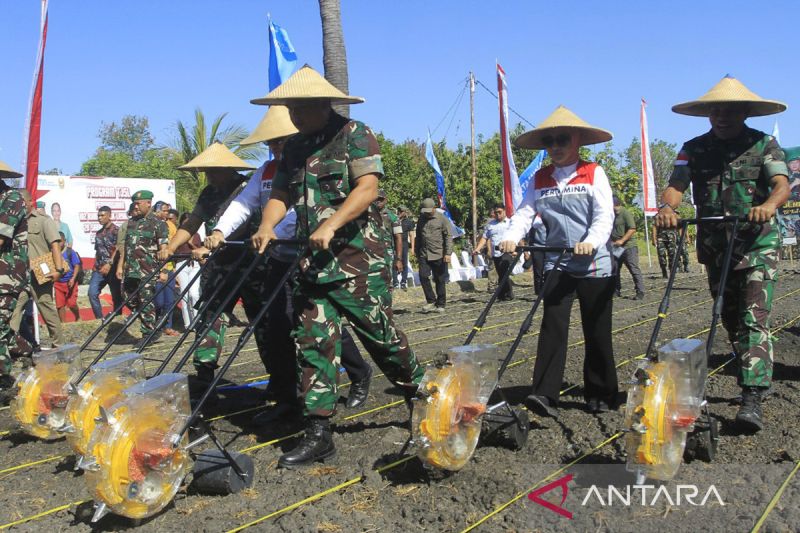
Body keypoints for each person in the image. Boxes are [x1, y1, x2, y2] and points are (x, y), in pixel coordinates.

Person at [248, 66, 424, 466]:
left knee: (381, 337)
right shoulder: (292, 148)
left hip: (358, 260)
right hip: (315, 264)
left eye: (301, 109)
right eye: (290, 109)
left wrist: (331, 223)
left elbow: (368, 188)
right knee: (313, 342)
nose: (294, 116)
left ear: (323, 105)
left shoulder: (355, 135)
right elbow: (280, 194)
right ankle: (318, 432)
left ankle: (423, 396)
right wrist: (266, 224)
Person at [205, 106, 375, 419]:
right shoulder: (267, 171)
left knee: (318, 321)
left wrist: (275, 230)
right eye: (271, 143)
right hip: (280, 257)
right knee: (275, 327)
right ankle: (287, 395)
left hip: (307, 254)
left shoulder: (309, 162)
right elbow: (245, 204)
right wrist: (219, 231)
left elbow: (302, 211)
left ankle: (359, 371)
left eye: (281, 141)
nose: (276, 148)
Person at [656, 76, 790, 432]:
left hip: (757, 243)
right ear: (707, 114)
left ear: (745, 112)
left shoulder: (764, 144)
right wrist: (668, 208)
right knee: (728, 315)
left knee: (752, 317)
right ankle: (751, 369)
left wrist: (767, 205)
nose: (722, 116)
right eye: (716, 110)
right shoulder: (694, 148)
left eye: (729, 110)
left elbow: (781, 184)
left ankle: (752, 395)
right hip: (717, 246)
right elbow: (676, 185)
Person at [500, 105, 617, 417]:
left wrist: (591, 242)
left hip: (594, 262)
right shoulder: (540, 178)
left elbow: (604, 215)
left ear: (577, 140)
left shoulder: (594, 173)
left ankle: (601, 393)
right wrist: (511, 235)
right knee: (552, 326)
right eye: (549, 141)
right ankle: (545, 394)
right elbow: (525, 212)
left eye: (562, 139)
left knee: (597, 329)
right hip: (557, 262)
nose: (555, 147)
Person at [11, 190, 65, 348]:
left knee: (47, 312)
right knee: (13, 313)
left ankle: (59, 347)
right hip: (19, 275)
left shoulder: (43, 221)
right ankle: (14, 349)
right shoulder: (14, 221)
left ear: (29, 202)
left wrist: (59, 270)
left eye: (21, 202)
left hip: (40, 274)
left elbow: (55, 245)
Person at [116, 190, 169, 349]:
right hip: (131, 269)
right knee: (128, 298)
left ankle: (148, 333)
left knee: (146, 300)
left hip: (148, 269)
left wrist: (164, 270)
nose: (136, 206)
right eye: (134, 203)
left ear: (148, 204)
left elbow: (164, 248)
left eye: (138, 203)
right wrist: (120, 265)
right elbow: (125, 247)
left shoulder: (158, 223)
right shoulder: (132, 222)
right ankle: (152, 326)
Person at [0, 162, 33, 403]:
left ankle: (3, 382)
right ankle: (31, 354)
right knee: (3, 331)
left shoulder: (12, 199)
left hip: (8, 276)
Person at [415, 198, 453, 312]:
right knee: (423, 277)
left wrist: (448, 253)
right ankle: (431, 300)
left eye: (429, 210)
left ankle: (441, 304)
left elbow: (448, 237)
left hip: (438, 254)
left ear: (434, 208)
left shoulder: (442, 219)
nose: (427, 213)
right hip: (424, 254)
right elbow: (418, 236)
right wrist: (416, 251)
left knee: (439, 279)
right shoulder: (421, 219)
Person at [474, 203, 515, 301]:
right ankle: (506, 293)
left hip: (507, 251)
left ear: (504, 211)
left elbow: (518, 237)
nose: (498, 214)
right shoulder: (490, 225)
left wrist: (517, 250)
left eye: (500, 212)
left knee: (504, 272)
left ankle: (503, 294)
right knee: (501, 274)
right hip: (496, 253)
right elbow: (484, 238)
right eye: (496, 212)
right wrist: (477, 248)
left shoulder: (510, 223)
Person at [88, 205, 122, 318]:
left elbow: (119, 249)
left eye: (102, 215)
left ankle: (118, 321)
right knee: (92, 293)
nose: (100, 218)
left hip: (113, 269)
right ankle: (99, 319)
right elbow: (98, 251)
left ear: (109, 215)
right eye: (98, 215)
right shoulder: (98, 233)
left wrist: (110, 263)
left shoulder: (116, 231)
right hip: (99, 270)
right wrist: (95, 265)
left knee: (116, 297)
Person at [611, 195, 645, 299]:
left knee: (633, 268)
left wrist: (622, 240)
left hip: (629, 246)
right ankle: (616, 291)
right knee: (615, 269)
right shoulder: (610, 215)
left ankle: (640, 291)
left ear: (615, 204)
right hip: (616, 247)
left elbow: (632, 229)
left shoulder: (625, 213)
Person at [153, 200, 178, 336]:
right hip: (155, 269)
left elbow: (173, 247)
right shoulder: (151, 225)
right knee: (158, 301)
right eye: (164, 211)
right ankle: (156, 324)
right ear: (157, 210)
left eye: (168, 211)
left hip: (169, 268)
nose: (167, 214)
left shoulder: (170, 226)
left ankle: (167, 326)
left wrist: (172, 267)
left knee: (169, 300)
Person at [174, 212, 202, 328]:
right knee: (184, 295)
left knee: (194, 294)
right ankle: (188, 324)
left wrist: (191, 244)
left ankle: (197, 321)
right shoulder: (177, 235)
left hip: (194, 265)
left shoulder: (196, 235)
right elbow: (174, 251)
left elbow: (200, 250)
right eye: (185, 221)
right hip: (181, 264)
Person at [376, 190, 404, 288]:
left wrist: (399, 259)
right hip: (369, 253)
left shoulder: (393, 217)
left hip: (386, 253)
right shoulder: (367, 214)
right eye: (376, 199)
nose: (378, 201)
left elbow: (398, 238)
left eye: (381, 199)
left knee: (387, 282)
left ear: (386, 200)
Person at [54, 231, 82, 322]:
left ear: (64, 241)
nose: (58, 244)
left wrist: (73, 278)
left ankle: (77, 316)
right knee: (60, 304)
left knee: (71, 303)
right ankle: (63, 323)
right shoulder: (52, 252)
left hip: (70, 282)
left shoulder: (70, 252)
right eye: (56, 242)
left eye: (60, 241)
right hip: (58, 283)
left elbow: (77, 265)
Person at [398, 206, 415, 289]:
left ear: (405, 212)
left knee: (404, 263)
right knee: (395, 262)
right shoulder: (394, 220)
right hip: (395, 244)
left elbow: (411, 235)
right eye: (398, 211)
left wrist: (412, 248)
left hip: (404, 244)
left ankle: (403, 282)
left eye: (401, 211)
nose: (399, 213)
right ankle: (394, 282)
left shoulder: (409, 222)